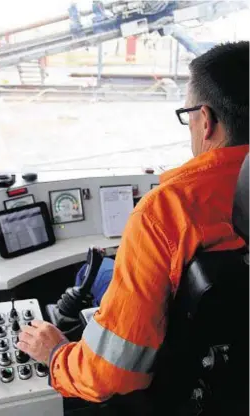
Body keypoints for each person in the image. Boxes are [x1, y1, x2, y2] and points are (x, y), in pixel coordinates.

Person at [17, 41, 249, 402]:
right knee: (101, 272)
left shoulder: (167, 212)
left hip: (182, 384)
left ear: (207, 120)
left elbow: (110, 374)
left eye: (187, 113)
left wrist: (55, 354)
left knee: (89, 275)